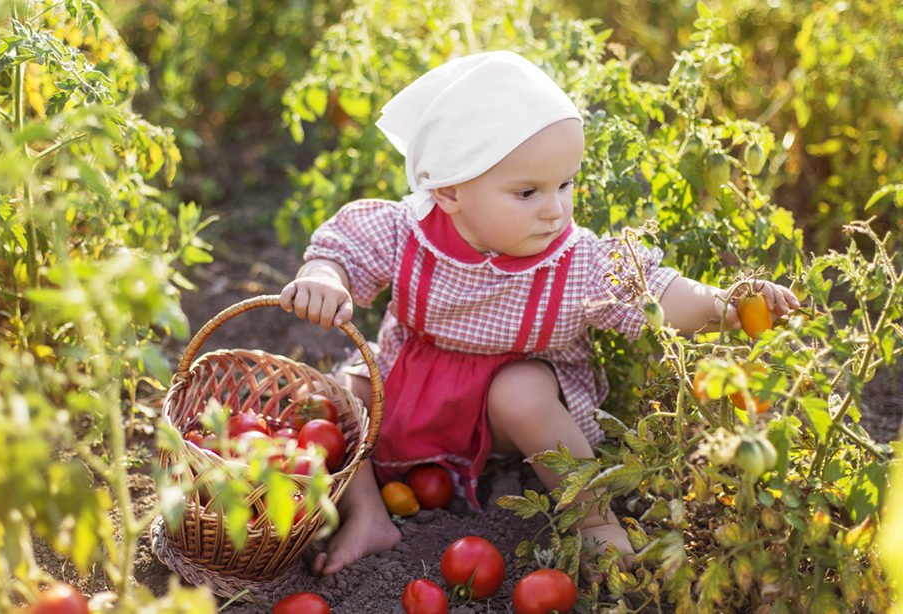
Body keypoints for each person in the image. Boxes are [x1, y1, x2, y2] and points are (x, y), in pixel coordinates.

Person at [278, 50, 799, 578]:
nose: (555, 209)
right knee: (338, 396)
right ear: (451, 191)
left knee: (519, 389)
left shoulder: (577, 261)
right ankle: (368, 512)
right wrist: (324, 278)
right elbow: (344, 249)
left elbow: (658, 291)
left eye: (565, 184)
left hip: (510, 413)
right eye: (528, 192)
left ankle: (593, 521)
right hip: (413, 384)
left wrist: (725, 304)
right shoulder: (406, 232)